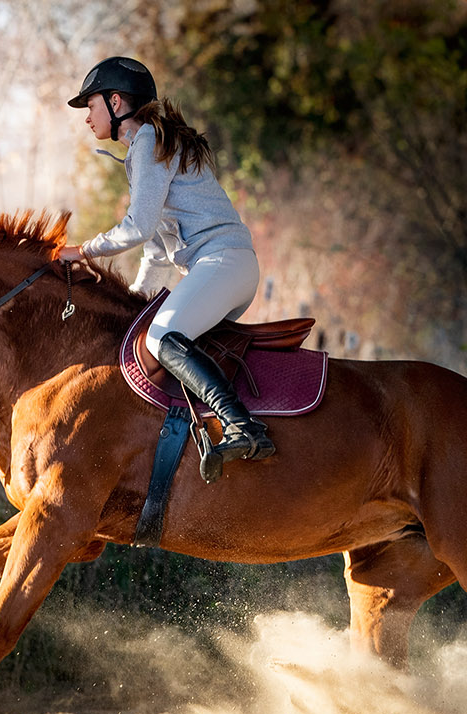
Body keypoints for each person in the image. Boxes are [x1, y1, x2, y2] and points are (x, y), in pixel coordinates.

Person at [59, 56, 275, 476]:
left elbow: (137, 227)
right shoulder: (150, 145)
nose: (87, 117)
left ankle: (242, 426)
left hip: (221, 263)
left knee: (162, 337)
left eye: (91, 105)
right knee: (158, 340)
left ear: (116, 102)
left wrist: (82, 251)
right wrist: (134, 303)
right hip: (228, 268)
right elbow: (157, 251)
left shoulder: (146, 142)